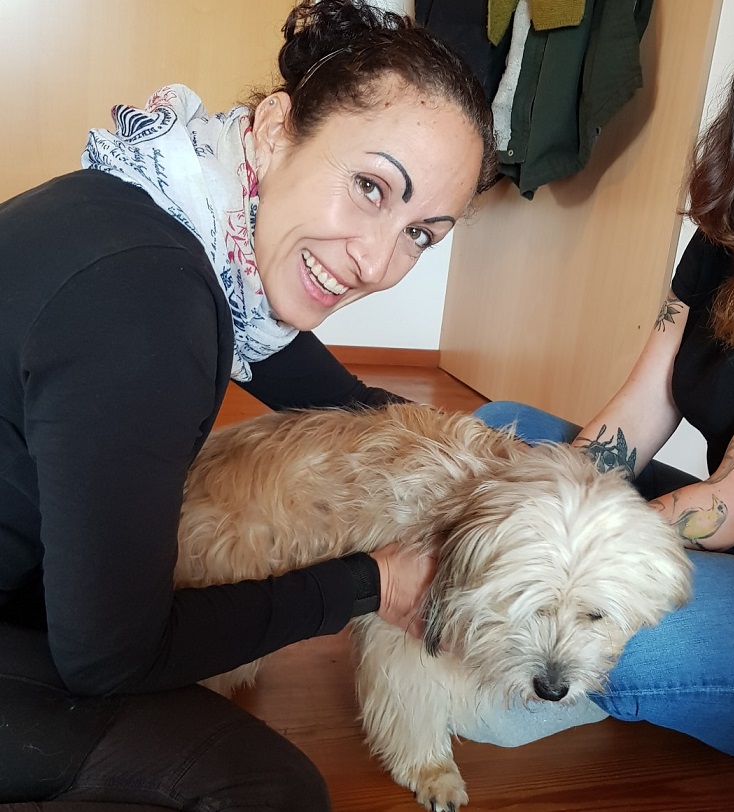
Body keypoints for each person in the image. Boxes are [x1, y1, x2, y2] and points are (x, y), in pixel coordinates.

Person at [0, 1, 497, 808]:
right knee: (274, 791)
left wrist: (495, 460)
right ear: (274, 130)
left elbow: (345, 400)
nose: (377, 263)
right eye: (370, 186)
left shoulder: (179, 216)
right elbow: (111, 657)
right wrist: (369, 583)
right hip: (57, 630)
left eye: (420, 234)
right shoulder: (147, 311)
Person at [474, 36, 734, 763]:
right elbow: (644, 402)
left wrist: (554, 558)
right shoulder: (727, 237)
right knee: (500, 430)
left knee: (634, 643)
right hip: (732, 527)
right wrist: (543, 507)